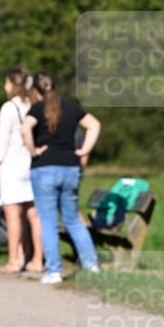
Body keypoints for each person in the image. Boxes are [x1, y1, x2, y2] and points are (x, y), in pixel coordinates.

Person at [22, 74, 101, 285]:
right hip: (70, 168)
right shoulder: (71, 106)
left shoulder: (36, 109)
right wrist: (84, 150)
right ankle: (91, 265)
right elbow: (94, 125)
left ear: (36, 91)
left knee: (48, 222)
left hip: (44, 168)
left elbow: (25, 129)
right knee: (73, 219)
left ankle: (54, 271)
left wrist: (33, 152)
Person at [0, 69, 44, 273]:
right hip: (33, 164)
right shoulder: (35, 105)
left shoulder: (9, 108)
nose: (4, 87)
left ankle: (14, 260)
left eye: (6, 83)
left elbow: (1, 142)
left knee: (13, 216)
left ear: (11, 83)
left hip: (12, 166)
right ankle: (37, 259)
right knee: (34, 215)